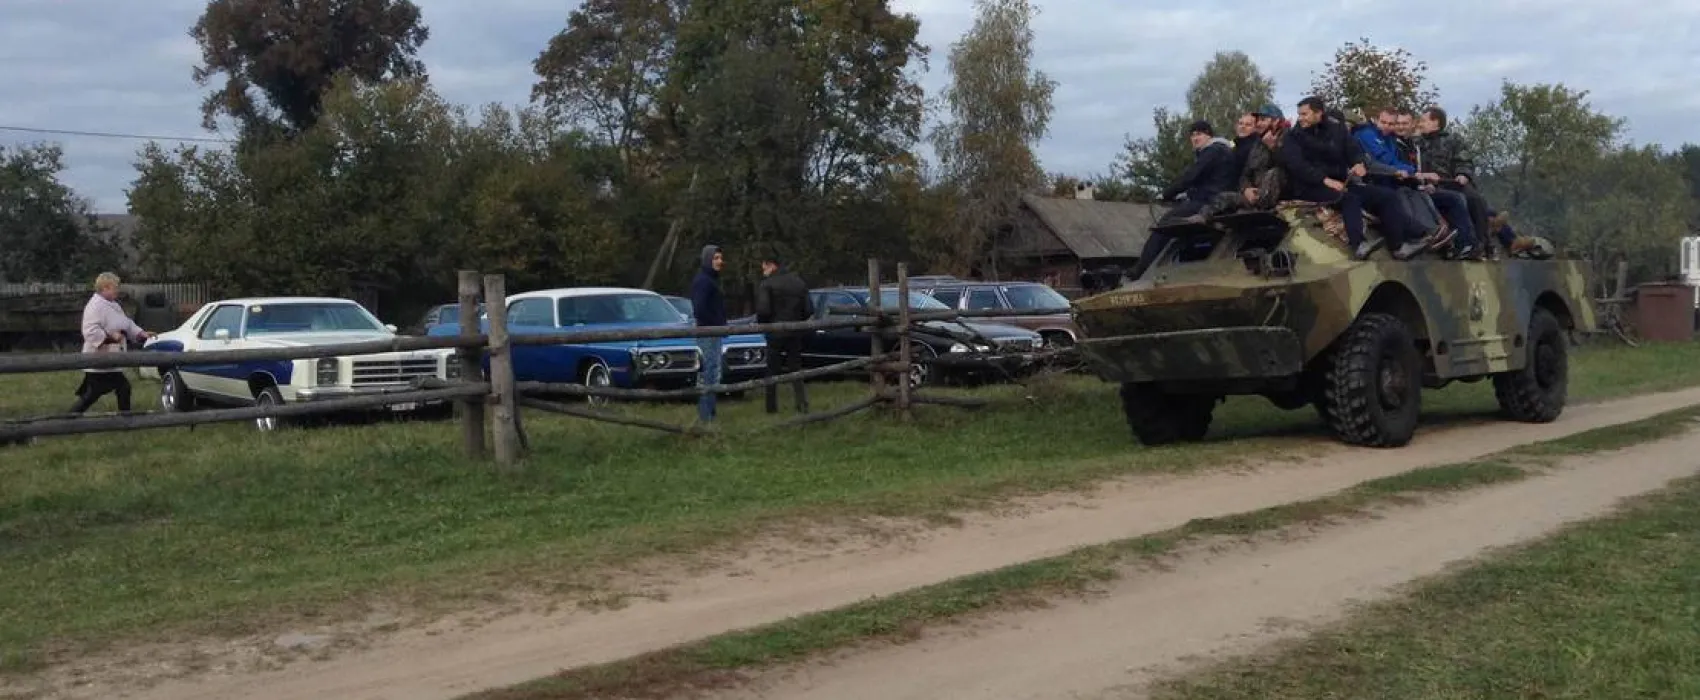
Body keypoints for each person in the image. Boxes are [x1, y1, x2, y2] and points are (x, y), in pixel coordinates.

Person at [1279, 96, 1426, 260]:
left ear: (1318, 113)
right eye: (1299, 114)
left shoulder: (1337, 130)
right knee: (1349, 198)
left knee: (1386, 196)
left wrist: (1358, 163)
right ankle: (1359, 244)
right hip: (1309, 186)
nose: (1301, 118)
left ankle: (1398, 246)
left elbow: (1354, 151)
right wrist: (1325, 180)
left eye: (1304, 114)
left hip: (1342, 182)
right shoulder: (1293, 137)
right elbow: (1297, 166)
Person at [1353, 106, 1478, 258]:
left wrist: (1415, 173)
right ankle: (1425, 234)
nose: (1389, 127)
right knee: (1405, 194)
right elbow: (1379, 161)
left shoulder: (1400, 140)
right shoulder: (1368, 135)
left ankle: (1464, 243)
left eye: (1392, 124)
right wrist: (1409, 173)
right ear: (1376, 120)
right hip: (1382, 181)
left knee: (1458, 197)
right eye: (1384, 122)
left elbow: (1394, 160)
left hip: (1410, 180)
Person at [1132, 120, 1238, 278]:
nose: (1195, 138)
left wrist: (1167, 193)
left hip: (1209, 202)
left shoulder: (1213, 151)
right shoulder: (1220, 151)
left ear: (1209, 136)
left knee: (1167, 223)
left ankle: (1140, 270)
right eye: (1193, 135)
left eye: (1200, 134)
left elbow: (1192, 176)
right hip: (1213, 199)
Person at [1415, 106, 1493, 256]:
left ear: (1435, 122)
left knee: (1475, 199)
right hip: (1430, 184)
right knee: (1455, 201)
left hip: (1451, 181)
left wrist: (1463, 174)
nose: (1420, 123)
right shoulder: (1417, 142)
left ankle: (1483, 243)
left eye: (1424, 120)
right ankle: (1462, 243)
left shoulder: (1453, 140)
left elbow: (1464, 160)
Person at [70, 272, 150, 415]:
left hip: (111, 358)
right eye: (115, 287)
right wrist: (109, 338)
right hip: (100, 357)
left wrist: (140, 333)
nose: (117, 290)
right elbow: (90, 330)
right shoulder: (94, 306)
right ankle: (68, 419)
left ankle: (125, 418)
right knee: (102, 391)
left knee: (120, 388)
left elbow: (126, 323)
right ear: (105, 288)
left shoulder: (114, 305)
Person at [754, 252, 813, 414]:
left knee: (772, 370)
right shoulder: (799, 282)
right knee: (796, 368)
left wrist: (764, 325)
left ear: (772, 265)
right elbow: (809, 309)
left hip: (775, 330)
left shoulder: (767, 284)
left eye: (764, 266)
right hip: (794, 331)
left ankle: (771, 407)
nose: (763, 270)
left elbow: (763, 310)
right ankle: (802, 404)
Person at [690, 245, 727, 424]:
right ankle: (706, 417)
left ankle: (711, 413)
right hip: (708, 333)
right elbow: (700, 309)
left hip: (714, 332)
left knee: (714, 374)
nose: (720, 262)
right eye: (716, 258)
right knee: (708, 374)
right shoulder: (703, 281)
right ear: (707, 259)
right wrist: (716, 323)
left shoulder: (711, 280)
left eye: (720, 258)